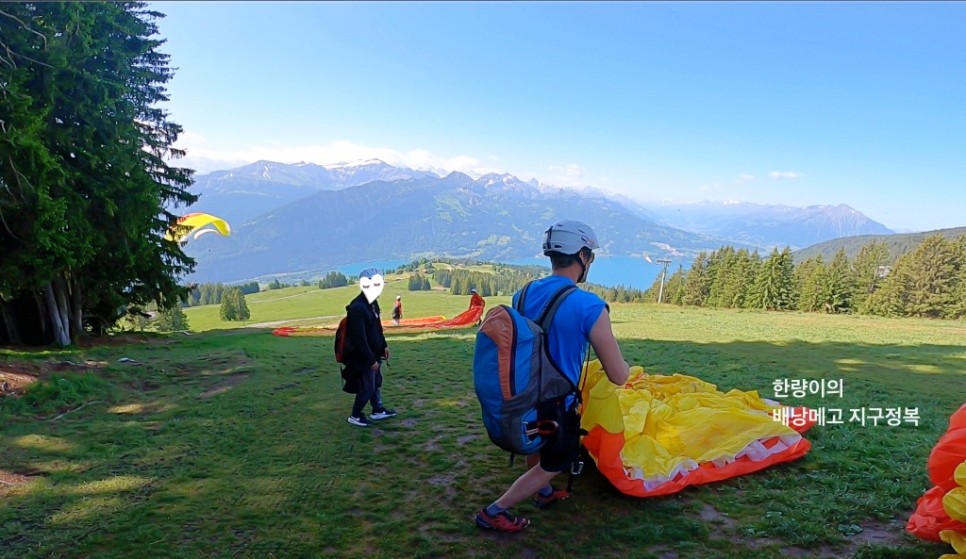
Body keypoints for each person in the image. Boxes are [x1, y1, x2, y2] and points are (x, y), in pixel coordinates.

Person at [475, 220, 631, 533]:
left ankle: (544, 493)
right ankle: (495, 510)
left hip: (524, 393)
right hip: (557, 401)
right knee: (558, 459)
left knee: (536, 444)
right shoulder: (590, 306)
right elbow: (617, 375)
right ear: (583, 256)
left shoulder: (524, 293)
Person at [345, 268, 397, 427]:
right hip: (364, 357)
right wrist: (370, 361)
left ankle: (378, 410)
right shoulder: (357, 309)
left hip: (375, 354)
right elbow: (359, 339)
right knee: (367, 387)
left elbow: (377, 329)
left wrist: (384, 346)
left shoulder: (372, 304)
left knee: (375, 383)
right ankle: (355, 415)